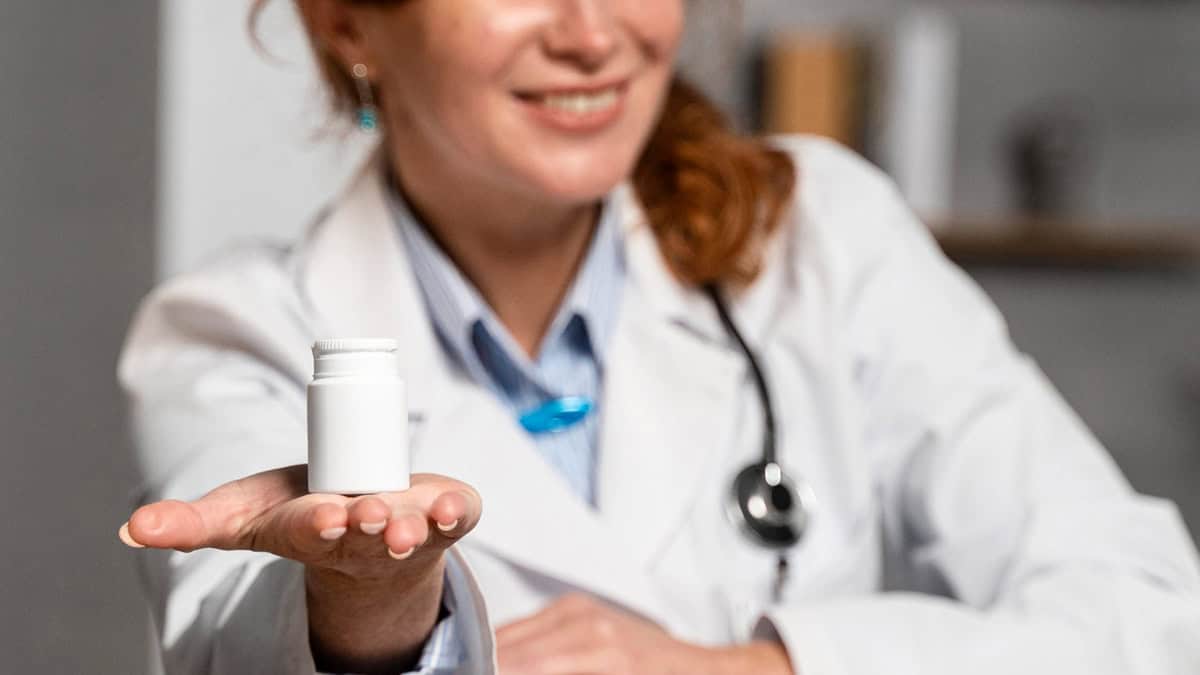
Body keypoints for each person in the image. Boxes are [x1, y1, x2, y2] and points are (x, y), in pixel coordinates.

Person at [116, 1, 1200, 673]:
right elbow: (236, 650)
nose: (594, 34)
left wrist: (751, 671)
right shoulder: (241, 328)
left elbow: (1148, 616)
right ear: (346, 22)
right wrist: (372, 600)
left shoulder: (822, 234)